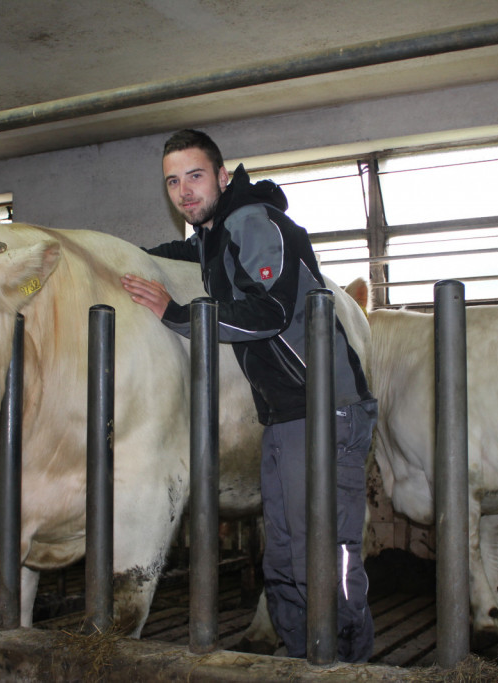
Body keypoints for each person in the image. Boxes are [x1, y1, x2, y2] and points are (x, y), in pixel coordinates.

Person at [121, 129, 377, 662]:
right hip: (285, 414)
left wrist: (175, 312)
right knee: (283, 553)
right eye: (172, 182)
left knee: (323, 551)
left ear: (220, 175)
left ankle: (348, 662)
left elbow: (273, 311)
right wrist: (108, 258)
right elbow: (172, 252)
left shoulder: (251, 221)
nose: (184, 192)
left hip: (327, 407)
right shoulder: (214, 238)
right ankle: (302, 655)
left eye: (194, 176)